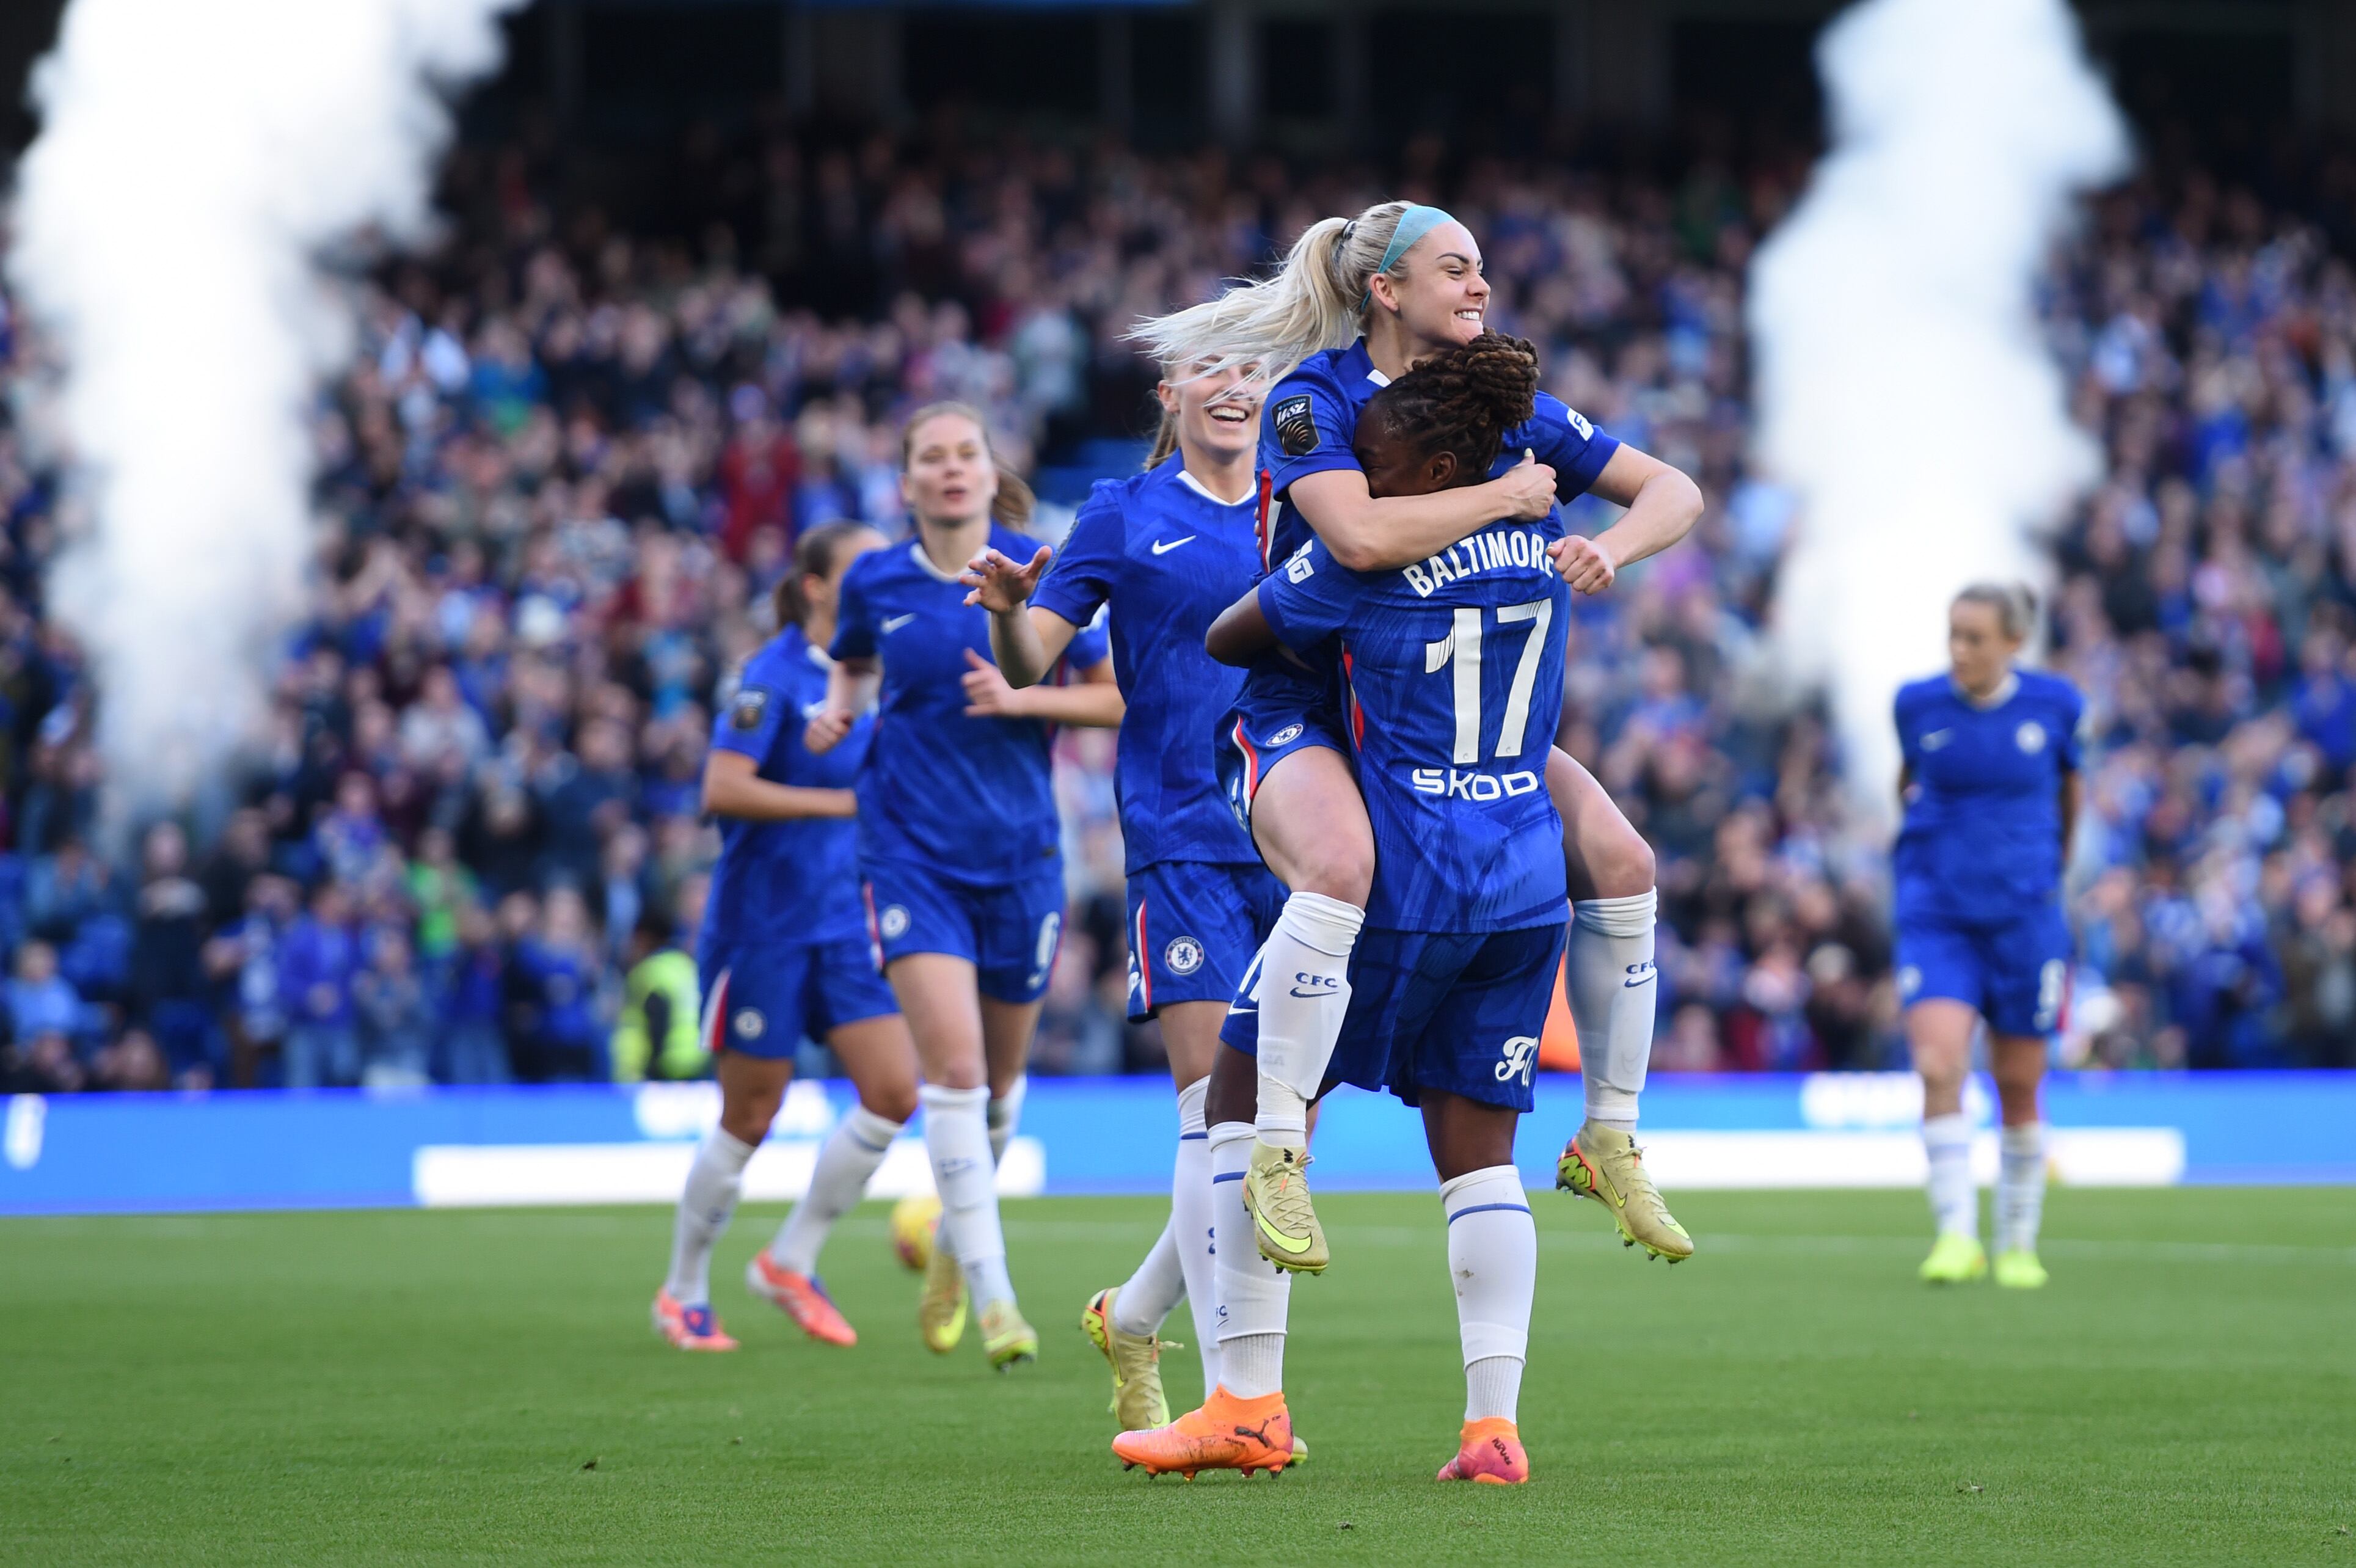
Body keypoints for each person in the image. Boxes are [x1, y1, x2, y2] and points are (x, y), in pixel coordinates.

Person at [1129, 202, 1701, 1272]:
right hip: (1314, 696)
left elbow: (1674, 489)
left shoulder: (1506, 405)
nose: (1480, 286)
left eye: (1482, 268)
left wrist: (1611, 549)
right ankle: (1275, 1150)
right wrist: (1503, 501)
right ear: (1385, 291)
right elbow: (1352, 535)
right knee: (1340, 866)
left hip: (1449, 716)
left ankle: (1610, 1132)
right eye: (1455, 269)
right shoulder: (1313, 400)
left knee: (1623, 858)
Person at [1120, 334, 1567, 1482]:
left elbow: (1233, 637)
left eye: (1377, 453)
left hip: (1400, 876)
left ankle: (1246, 1403)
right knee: (1478, 1160)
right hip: (1523, 884)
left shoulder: (1366, 559)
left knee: (1240, 1092)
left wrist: (1311, 573)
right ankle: (1492, 1428)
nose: (1355, 467)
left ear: (1425, 473)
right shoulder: (1541, 545)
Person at [963, 361, 1289, 1434]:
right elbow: (1038, 650)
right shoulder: (1121, 512)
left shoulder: (1310, 497)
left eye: (1252, 368)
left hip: (1298, 844)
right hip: (1180, 837)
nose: (1234, 387)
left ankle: (1134, 1314)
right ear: (1171, 393)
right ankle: (1235, 1400)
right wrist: (1013, 616)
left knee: (1278, 1134)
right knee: (1213, 1112)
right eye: (1213, 370)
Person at [808, 404, 1119, 1369]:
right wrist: (838, 707)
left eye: (965, 454)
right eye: (929, 457)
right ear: (904, 485)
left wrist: (1024, 693)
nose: (949, 470)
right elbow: (853, 657)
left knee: (997, 1090)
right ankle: (996, 1298)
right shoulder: (876, 577)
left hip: (1021, 858)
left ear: (992, 474)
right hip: (908, 854)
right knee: (955, 1074)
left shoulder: (1040, 567)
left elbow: (1115, 699)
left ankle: (951, 1246)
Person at [652, 521, 926, 1352]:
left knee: (893, 1090)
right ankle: (683, 1287)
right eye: (859, 570)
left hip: (846, 924)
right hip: (761, 927)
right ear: (814, 587)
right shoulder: (769, 680)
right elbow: (722, 787)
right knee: (750, 1112)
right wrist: (842, 805)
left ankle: (790, 1256)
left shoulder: (878, 674)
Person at [1895, 583, 2082, 1290]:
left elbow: (2071, 794)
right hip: (1937, 915)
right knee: (1938, 1064)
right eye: (1953, 634)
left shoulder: (2056, 705)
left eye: (1974, 637)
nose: (1959, 650)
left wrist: (2044, 871)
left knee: (2017, 1082)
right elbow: (1905, 784)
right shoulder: (1915, 704)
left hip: (2024, 916)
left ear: (2012, 642)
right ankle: (1954, 1236)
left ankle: (2017, 1242)